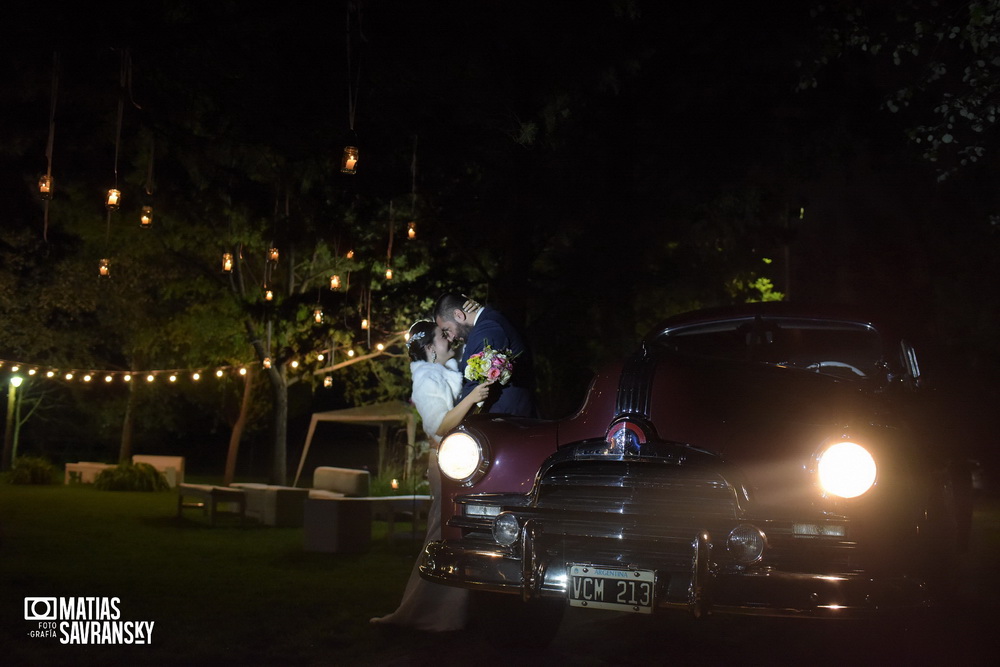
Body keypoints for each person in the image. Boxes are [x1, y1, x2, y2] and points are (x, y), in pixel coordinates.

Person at [370, 320, 490, 631]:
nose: (448, 337)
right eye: (441, 335)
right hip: (445, 464)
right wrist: (472, 397)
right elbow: (440, 425)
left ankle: (453, 612)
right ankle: (425, 612)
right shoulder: (426, 381)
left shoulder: (444, 374)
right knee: (442, 534)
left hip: (459, 462)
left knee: (455, 533)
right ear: (428, 348)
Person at [433, 292, 536, 417]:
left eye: (447, 330)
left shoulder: (486, 331)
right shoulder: (490, 319)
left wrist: (450, 421)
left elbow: (475, 387)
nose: (450, 338)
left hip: (507, 418)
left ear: (459, 315)